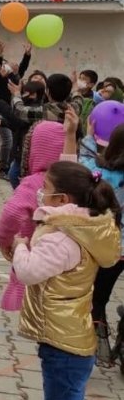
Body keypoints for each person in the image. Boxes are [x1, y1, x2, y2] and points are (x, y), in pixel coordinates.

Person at [12, 152, 120, 400]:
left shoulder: (61, 238)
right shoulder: (85, 228)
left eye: (45, 188)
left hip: (62, 347)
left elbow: (28, 272)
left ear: (62, 199)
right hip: (76, 340)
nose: (40, 192)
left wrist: (20, 247)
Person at [0, 120, 66, 312]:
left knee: (37, 323)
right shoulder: (75, 182)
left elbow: (11, 213)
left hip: (34, 269)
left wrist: (5, 241)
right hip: (68, 278)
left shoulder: (34, 183)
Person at [77, 122, 124, 363]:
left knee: (98, 298)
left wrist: (88, 134)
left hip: (107, 247)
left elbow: (83, 160)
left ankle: (94, 344)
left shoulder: (99, 174)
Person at [0, 41, 32, 179]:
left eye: (8, 65)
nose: (6, 66)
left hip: (13, 113)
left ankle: (10, 167)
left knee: (13, 141)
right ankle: (3, 169)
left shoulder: (14, 79)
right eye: (4, 65)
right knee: (7, 140)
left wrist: (27, 54)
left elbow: (23, 68)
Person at [8, 73, 84, 131]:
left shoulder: (45, 112)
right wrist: (75, 89)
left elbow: (20, 111)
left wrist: (17, 94)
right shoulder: (73, 109)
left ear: (47, 91)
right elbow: (78, 100)